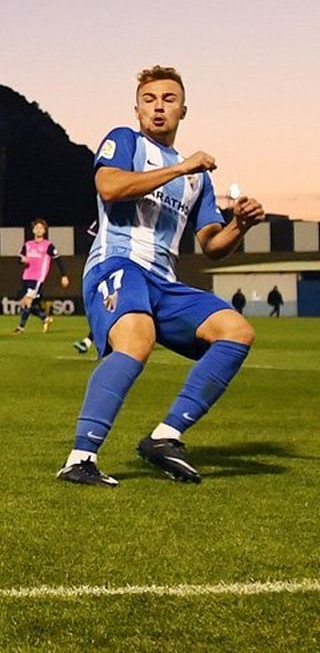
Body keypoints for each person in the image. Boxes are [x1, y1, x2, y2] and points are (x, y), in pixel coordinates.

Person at [57, 66, 265, 487]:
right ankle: (80, 458)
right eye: (149, 99)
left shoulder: (198, 179)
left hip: (164, 281)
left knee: (236, 331)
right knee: (137, 338)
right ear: (136, 109)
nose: (158, 107)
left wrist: (240, 225)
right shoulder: (126, 141)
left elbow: (212, 245)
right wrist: (180, 167)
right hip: (117, 264)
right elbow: (110, 188)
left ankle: (165, 437)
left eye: (168, 100)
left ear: (183, 110)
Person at [12, 218, 69, 334]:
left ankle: (21, 327)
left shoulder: (48, 246)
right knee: (25, 302)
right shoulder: (28, 245)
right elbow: (19, 258)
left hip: (38, 278)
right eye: (36, 228)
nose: (38, 230)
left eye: (41, 228)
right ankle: (45, 318)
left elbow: (58, 260)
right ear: (33, 230)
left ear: (44, 231)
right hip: (26, 276)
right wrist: (22, 260)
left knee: (28, 301)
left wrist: (64, 275)